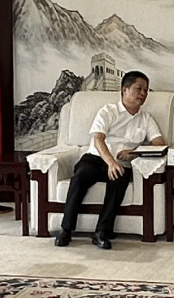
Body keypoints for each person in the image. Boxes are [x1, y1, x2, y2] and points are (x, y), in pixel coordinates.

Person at [55, 70, 164, 250]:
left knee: (119, 180)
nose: (143, 93)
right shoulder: (108, 111)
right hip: (96, 159)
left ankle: (102, 232)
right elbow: (98, 139)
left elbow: (159, 144)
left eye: (146, 90)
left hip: (122, 164)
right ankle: (66, 229)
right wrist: (111, 163)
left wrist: (135, 152)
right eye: (138, 89)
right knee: (80, 177)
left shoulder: (146, 119)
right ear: (124, 90)